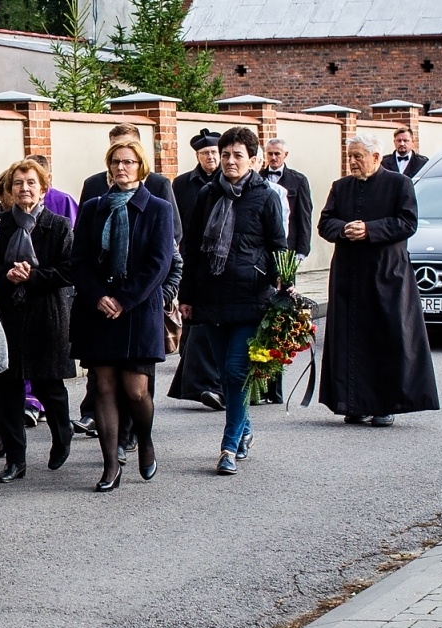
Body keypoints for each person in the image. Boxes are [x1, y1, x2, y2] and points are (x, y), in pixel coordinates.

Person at [178, 127, 288, 475]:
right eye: (225, 154)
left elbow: (278, 246)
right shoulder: (208, 194)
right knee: (226, 373)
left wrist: (283, 283)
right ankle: (245, 430)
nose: (229, 161)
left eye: (237, 155)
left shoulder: (266, 196)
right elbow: (191, 249)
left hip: (250, 298)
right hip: (211, 297)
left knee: (237, 371)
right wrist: (186, 296)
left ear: (253, 160)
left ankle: (228, 447)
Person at [70, 137, 174, 491]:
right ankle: (110, 464)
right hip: (97, 309)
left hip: (138, 309)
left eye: (128, 162)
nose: (121, 167)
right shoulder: (93, 207)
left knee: (135, 389)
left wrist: (124, 300)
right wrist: (99, 296)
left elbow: (160, 263)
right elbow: (79, 260)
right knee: (103, 385)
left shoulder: (158, 208)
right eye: (115, 161)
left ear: (140, 166)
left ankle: (144, 441)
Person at [317, 136, 439, 424]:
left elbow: (407, 222)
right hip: (348, 275)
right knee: (350, 339)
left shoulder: (399, 184)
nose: (352, 162)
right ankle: (353, 403)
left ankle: (385, 405)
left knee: (386, 337)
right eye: (350, 156)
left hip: (387, 273)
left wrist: (370, 230)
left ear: (375, 157)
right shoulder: (340, 187)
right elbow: (325, 223)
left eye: (358, 156)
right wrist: (344, 229)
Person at [0, 159, 75, 482]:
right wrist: (6, 275)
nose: (24, 188)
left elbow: (69, 270)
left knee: (49, 385)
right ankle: (15, 459)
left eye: (31, 183)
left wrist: (33, 276)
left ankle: (62, 436)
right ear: (10, 190)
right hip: (8, 314)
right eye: (18, 183)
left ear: (43, 189)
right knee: (7, 389)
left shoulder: (58, 225)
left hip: (46, 314)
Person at [168, 130, 223, 410]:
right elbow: (176, 221)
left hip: (222, 262)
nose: (210, 157)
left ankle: (213, 384)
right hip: (192, 258)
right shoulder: (181, 184)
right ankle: (200, 383)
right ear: (197, 156)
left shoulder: (228, 181)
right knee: (193, 321)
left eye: (214, 152)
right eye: (205, 153)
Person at [260, 139, 312, 405]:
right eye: (269, 153)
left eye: (277, 153)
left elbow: (304, 216)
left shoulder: (297, 180)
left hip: (286, 257)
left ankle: (276, 387)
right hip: (263, 258)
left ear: (285, 154)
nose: (273, 158)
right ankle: (260, 383)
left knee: (279, 319)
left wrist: (301, 251)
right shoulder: (258, 178)